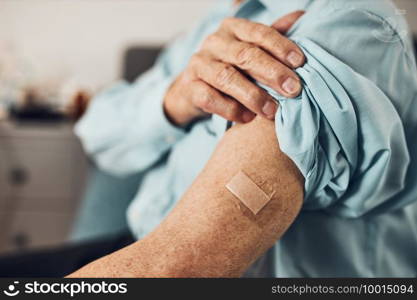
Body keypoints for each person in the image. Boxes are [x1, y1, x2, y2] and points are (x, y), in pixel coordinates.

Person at [2, 0, 417, 277]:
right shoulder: (212, 25)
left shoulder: (344, 20)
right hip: (138, 237)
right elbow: (98, 135)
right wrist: (174, 100)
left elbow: (179, 266)